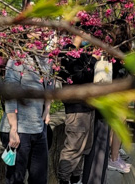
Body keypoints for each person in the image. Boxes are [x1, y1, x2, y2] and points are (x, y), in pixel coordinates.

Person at [0, 53, 53, 184]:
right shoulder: (17, 59)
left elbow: (50, 84)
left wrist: (47, 109)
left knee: (40, 179)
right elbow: (10, 93)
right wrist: (13, 128)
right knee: (15, 179)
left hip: (39, 128)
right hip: (19, 129)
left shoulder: (48, 59)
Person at [57, 40, 96, 184]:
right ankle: (64, 179)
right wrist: (94, 61)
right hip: (76, 109)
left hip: (88, 107)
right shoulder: (68, 54)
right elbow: (79, 77)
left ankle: (75, 179)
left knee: (84, 148)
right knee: (73, 148)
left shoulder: (84, 53)